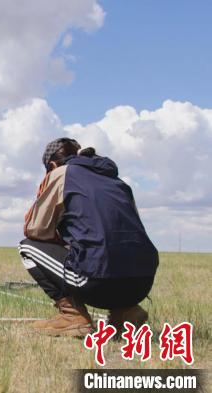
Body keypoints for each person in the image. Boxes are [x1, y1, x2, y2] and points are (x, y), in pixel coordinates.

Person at [20, 138, 158, 336]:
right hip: (142, 283)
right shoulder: (117, 181)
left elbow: (36, 229)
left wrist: (64, 242)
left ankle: (72, 316)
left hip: (98, 283)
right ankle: (126, 311)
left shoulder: (61, 173)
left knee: (28, 247)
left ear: (51, 165)